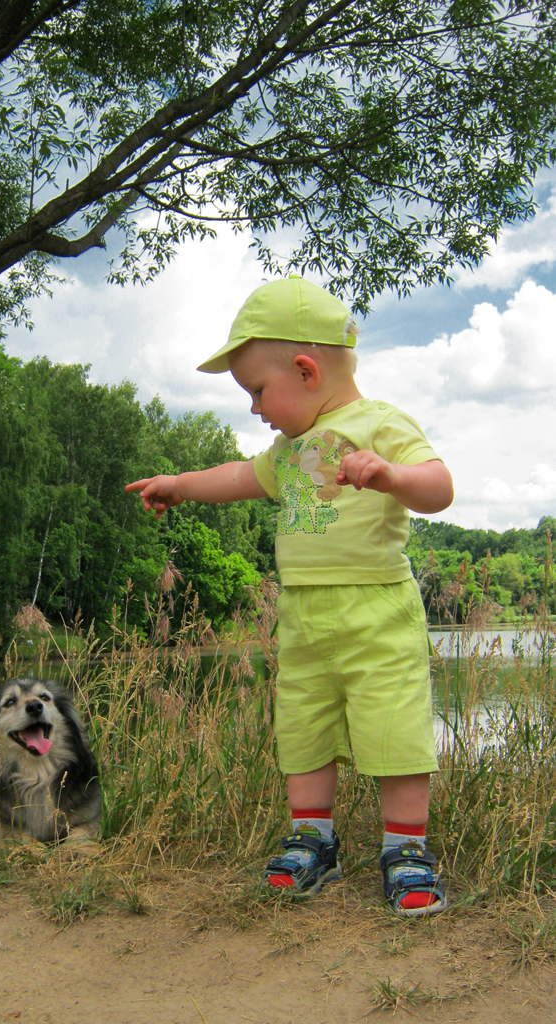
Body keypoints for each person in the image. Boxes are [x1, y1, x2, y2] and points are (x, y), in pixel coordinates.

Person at [126, 276, 454, 917]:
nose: (254, 408)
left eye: (256, 391)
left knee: (394, 722)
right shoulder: (286, 451)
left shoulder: (380, 424)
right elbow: (238, 475)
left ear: (306, 370)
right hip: (304, 618)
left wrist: (390, 474)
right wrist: (181, 484)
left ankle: (405, 848)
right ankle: (313, 838)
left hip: (378, 610)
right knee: (302, 723)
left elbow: (439, 486)